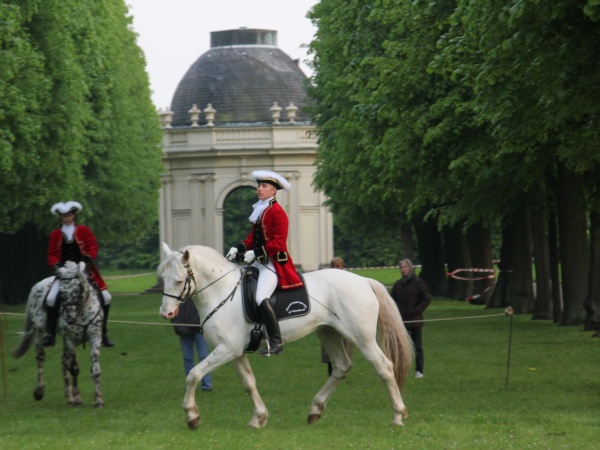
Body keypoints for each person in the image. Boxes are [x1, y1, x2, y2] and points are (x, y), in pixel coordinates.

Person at [226, 170, 303, 356]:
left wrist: (254, 253)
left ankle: (276, 342)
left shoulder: (278, 212)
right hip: (259, 262)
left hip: (273, 264)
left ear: (274, 191)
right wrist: (239, 247)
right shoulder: (260, 209)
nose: (259, 189)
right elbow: (253, 237)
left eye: (264, 186)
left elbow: (278, 243)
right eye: (259, 186)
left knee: (261, 297)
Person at [41, 201, 115, 348]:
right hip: (63, 273)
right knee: (50, 298)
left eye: (69, 215)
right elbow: (51, 255)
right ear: (60, 218)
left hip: (83, 271)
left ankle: (103, 333)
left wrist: (84, 262)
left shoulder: (84, 231)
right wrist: (58, 267)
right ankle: (50, 333)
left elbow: (92, 247)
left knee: (106, 297)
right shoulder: (55, 235)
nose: (67, 218)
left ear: (74, 215)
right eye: (64, 216)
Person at [390, 258, 431, 379]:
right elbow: (392, 301)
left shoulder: (418, 283)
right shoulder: (397, 284)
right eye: (401, 267)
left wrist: (416, 311)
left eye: (405, 267)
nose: (403, 269)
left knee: (417, 347)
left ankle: (419, 370)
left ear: (410, 268)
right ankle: (403, 369)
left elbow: (426, 299)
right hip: (401, 322)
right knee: (401, 348)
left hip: (415, 321)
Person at [321, 256, 353, 376]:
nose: (335, 268)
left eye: (338, 266)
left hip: (343, 318)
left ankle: (343, 369)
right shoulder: (328, 281)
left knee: (344, 344)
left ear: (342, 267)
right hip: (330, 317)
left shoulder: (347, 280)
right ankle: (331, 369)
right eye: (333, 266)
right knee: (329, 343)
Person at [172, 299, 213, 391]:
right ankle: (191, 385)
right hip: (183, 330)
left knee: (204, 357)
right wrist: (177, 323)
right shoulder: (177, 295)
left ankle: (206, 385)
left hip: (199, 329)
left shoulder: (197, 292)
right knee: (187, 358)